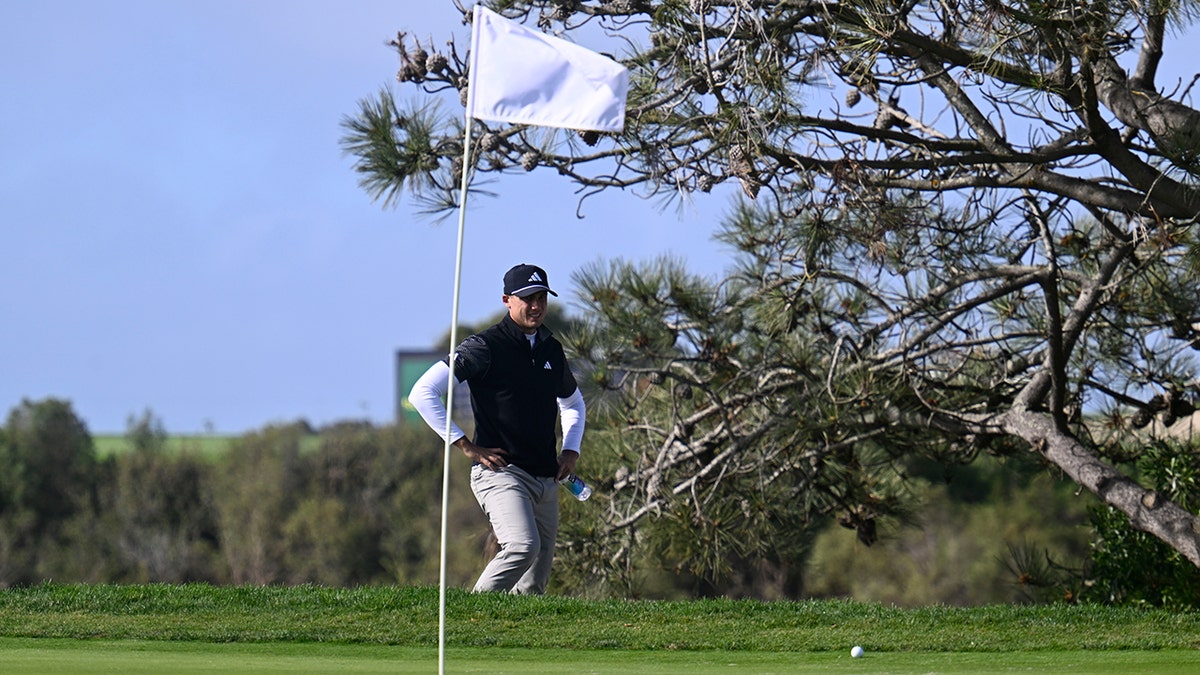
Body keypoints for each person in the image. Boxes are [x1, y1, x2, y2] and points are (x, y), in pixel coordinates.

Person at [409, 263, 586, 594]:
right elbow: (423, 392)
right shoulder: (485, 346)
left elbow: (573, 404)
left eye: (541, 298)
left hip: (546, 477)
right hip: (502, 472)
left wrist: (571, 450)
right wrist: (465, 445)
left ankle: (511, 640)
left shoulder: (551, 348)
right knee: (522, 546)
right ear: (507, 300)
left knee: (534, 584)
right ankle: (469, 618)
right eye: (527, 298)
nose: (536, 306)